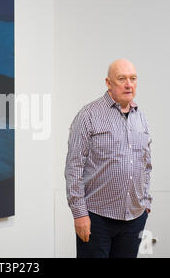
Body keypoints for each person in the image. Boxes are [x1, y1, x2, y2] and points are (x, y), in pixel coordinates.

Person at [64, 59, 152, 258]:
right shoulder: (88, 115)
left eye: (133, 79)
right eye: (122, 79)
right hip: (97, 219)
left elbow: (146, 164)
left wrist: (145, 203)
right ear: (108, 82)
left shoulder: (141, 117)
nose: (128, 84)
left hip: (134, 217)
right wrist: (79, 214)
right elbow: (74, 167)